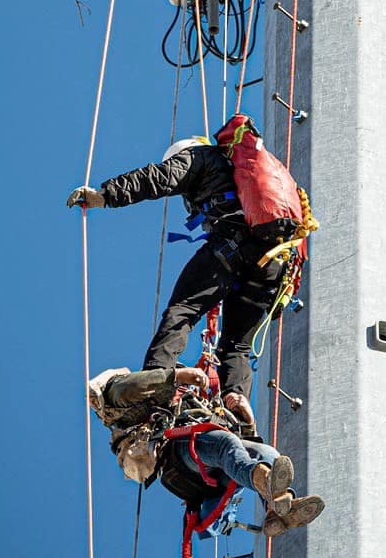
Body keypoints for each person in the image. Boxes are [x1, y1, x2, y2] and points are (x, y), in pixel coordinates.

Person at [67, 122, 287, 396]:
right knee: (237, 345)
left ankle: (155, 382)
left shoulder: (198, 157)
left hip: (231, 247)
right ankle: (236, 401)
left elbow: (157, 179)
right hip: (272, 263)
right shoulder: (240, 170)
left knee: (182, 310)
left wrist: (105, 196)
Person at [89, 363, 324, 557]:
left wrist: (248, 423)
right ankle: (266, 485)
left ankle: (278, 511)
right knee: (224, 445)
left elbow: (239, 448)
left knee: (267, 453)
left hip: (210, 467)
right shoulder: (124, 403)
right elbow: (142, 386)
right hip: (176, 455)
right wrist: (178, 376)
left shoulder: (179, 401)